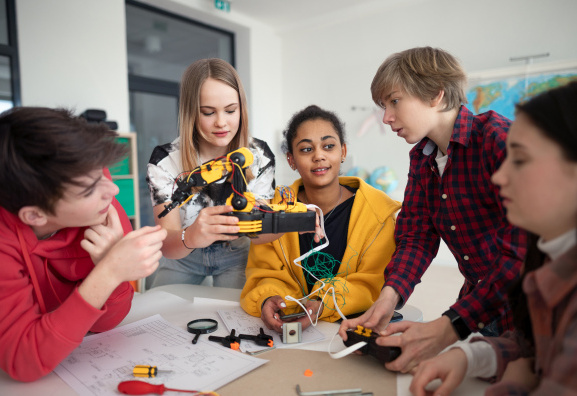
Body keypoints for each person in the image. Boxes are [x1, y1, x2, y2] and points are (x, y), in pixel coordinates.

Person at [339, 47, 528, 372]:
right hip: (480, 303)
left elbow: (522, 255)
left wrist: (450, 326)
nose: (386, 117)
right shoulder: (422, 158)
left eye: (394, 101)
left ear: (436, 96)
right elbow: (416, 236)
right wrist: (388, 299)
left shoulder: (499, 140)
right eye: (383, 106)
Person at [409, 81, 577, 396]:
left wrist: (515, 381)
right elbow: (535, 346)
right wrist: (472, 356)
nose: (499, 177)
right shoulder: (550, 261)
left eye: (521, 159)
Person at [0, 107, 167, 381]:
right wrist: (109, 272)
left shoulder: (99, 206)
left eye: (103, 173)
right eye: (90, 189)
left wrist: (109, 277)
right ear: (35, 215)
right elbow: (24, 360)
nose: (112, 191)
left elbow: (109, 322)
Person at [240, 105, 401, 331]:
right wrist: (269, 298)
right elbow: (264, 273)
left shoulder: (378, 214)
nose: (318, 155)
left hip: (348, 328)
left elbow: (372, 284)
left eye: (328, 146)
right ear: (291, 160)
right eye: (306, 149)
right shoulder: (274, 212)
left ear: (343, 152)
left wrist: (323, 304)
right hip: (290, 327)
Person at [147, 58, 275, 289]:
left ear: (241, 109)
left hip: (238, 254)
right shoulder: (164, 161)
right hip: (182, 257)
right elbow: (167, 245)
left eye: (230, 110)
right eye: (208, 112)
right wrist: (192, 236)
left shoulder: (260, 156)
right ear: (190, 113)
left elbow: (263, 235)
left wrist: (293, 223)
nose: (221, 122)